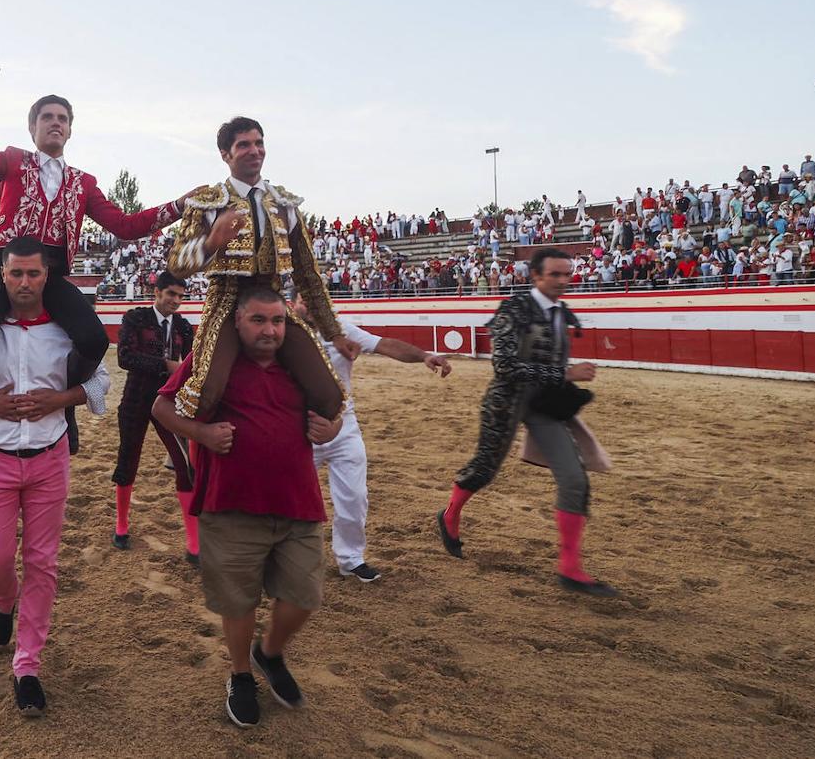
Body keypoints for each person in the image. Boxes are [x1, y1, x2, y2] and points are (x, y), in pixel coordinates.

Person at [0, 237, 111, 717]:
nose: (25, 283)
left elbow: (101, 381)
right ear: (2, 276)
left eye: (34, 274)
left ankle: (27, 665)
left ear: (46, 276)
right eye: (16, 275)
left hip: (50, 457)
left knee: (43, 561)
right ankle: (4, 603)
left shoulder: (63, 329)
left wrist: (62, 399)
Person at [151, 286, 342, 728]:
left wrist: (329, 429)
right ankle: (240, 675)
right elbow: (162, 406)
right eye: (258, 320)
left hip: (297, 502)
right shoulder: (213, 361)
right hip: (232, 503)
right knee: (238, 601)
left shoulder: (299, 364)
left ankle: (269, 653)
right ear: (236, 321)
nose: (270, 330)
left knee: (305, 596)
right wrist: (199, 435)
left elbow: (335, 414)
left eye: (277, 321)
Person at [0, 46, 192, 387]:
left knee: (94, 341)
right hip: (4, 273)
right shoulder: (14, 162)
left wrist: (177, 206)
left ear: (70, 130)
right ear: (33, 128)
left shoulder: (82, 182)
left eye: (63, 119)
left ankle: (60, 397)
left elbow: (125, 225)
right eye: (48, 117)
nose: (56, 123)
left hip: (53, 278)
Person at [436, 247, 617, 597]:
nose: (563, 281)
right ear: (536, 276)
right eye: (555, 275)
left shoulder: (562, 313)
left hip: (545, 404)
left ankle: (570, 568)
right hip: (507, 401)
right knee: (485, 469)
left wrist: (561, 378)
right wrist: (564, 373)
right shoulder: (514, 308)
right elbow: (504, 366)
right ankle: (450, 514)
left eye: (567, 274)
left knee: (575, 478)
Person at [166, 116, 359, 421]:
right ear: (225, 154)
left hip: (274, 302)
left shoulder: (285, 203)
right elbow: (176, 265)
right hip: (226, 303)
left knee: (330, 396)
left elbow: (307, 274)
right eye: (244, 145)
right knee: (205, 396)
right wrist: (211, 241)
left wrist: (333, 333)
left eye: (259, 143)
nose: (255, 150)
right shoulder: (206, 203)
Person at [291, 290, 451, 583]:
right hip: (297, 430)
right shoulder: (284, 334)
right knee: (290, 499)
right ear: (294, 304)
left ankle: (351, 559)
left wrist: (424, 355)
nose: (311, 307)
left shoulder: (340, 329)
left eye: (316, 301)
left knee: (354, 496)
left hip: (343, 423)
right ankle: (285, 559)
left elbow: (384, 344)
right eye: (305, 301)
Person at [110, 271, 198, 561]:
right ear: (157, 292)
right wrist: (167, 365)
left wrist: (177, 371)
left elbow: (190, 366)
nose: (175, 301)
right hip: (136, 399)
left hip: (170, 403)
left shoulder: (184, 327)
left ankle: (194, 542)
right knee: (128, 459)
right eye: (171, 294)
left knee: (184, 464)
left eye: (180, 296)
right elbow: (125, 357)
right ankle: (121, 525)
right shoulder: (136, 318)